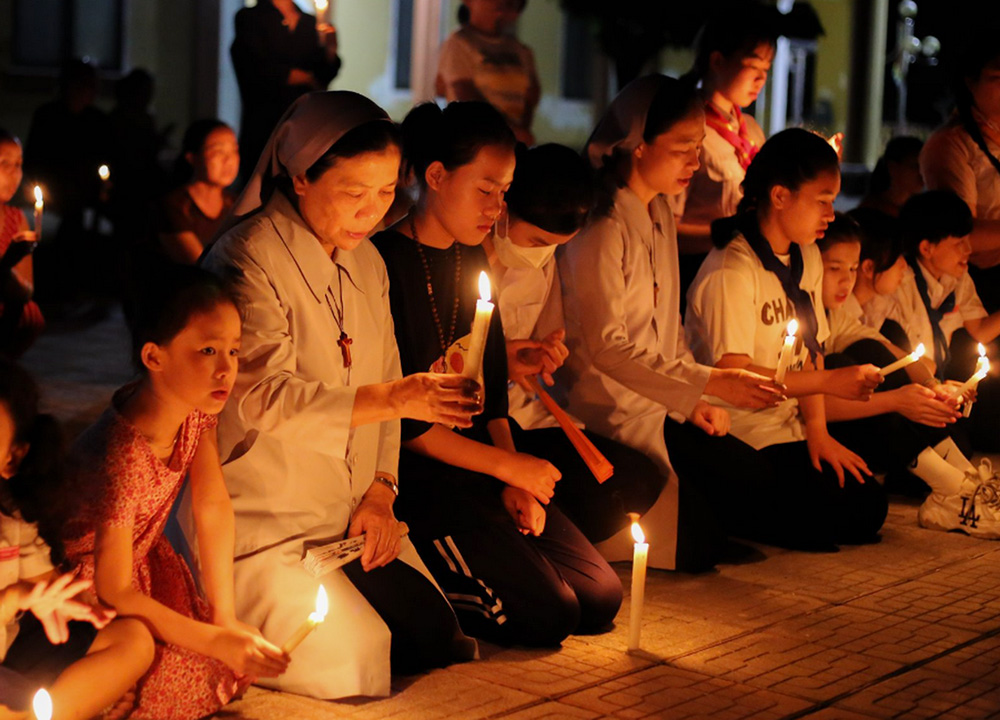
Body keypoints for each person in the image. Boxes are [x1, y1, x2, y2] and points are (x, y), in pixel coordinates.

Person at [203, 91, 479, 700]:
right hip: (272, 519)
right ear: (301, 178)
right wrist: (396, 398)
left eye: (386, 194)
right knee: (361, 661)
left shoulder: (369, 264)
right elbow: (263, 396)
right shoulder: (247, 258)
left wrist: (382, 490)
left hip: (354, 517)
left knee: (435, 635)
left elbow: (385, 375)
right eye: (355, 192)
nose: (372, 212)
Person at [373, 101, 621, 646]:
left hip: (483, 462)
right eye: (485, 189)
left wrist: (512, 475)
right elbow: (407, 426)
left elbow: (492, 399)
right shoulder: (383, 265)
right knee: (551, 614)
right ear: (436, 176)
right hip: (424, 477)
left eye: (504, 191)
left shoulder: (473, 259)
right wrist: (509, 467)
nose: (497, 206)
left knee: (600, 596)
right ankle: (436, 579)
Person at [559, 75, 783, 569]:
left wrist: (696, 399)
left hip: (661, 403)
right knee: (699, 543)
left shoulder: (659, 209)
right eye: (683, 148)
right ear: (637, 146)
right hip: (606, 409)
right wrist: (707, 380)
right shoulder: (602, 224)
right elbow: (606, 348)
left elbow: (669, 325)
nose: (695, 162)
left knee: (752, 478)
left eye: (699, 147)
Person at [61, 266, 290, 720]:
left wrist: (224, 619)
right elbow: (112, 588)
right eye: (207, 350)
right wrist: (213, 639)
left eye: (233, 350)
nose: (226, 369)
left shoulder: (194, 409)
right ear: (154, 357)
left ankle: (114, 692)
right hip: (82, 588)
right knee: (178, 662)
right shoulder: (123, 452)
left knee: (226, 665)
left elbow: (211, 504)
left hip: (139, 565)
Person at [686, 128, 888, 550]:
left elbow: (811, 353)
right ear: (780, 196)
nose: (831, 215)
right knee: (828, 519)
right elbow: (732, 373)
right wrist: (829, 383)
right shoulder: (732, 270)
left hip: (788, 427)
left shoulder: (806, 256)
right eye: (822, 201)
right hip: (737, 432)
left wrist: (817, 430)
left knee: (868, 505)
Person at [483, 142, 666, 543]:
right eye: (536, 241)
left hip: (523, 411)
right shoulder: (459, 261)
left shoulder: (540, 262)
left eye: (556, 246)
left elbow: (541, 335)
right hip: (479, 424)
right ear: (502, 208)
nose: (543, 254)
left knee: (637, 480)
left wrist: (541, 354)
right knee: (589, 501)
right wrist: (498, 364)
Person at [0, 358, 154, 720]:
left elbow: (52, 593)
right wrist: (10, 601)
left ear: (11, 457)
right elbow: (18, 597)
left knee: (132, 640)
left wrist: (103, 677)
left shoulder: (10, 524)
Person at [817, 214, 981, 506]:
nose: (847, 279)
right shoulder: (806, 315)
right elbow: (812, 404)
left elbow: (893, 353)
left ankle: (961, 480)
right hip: (814, 430)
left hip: (868, 423)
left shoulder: (835, 316)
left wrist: (933, 387)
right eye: (834, 268)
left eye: (852, 269)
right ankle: (954, 487)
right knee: (844, 365)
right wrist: (898, 399)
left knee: (872, 350)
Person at [672, 5, 777, 301]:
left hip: (746, 275)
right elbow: (664, 225)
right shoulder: (687, 129)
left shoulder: (752, 131)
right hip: (696, 276)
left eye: (766, 70)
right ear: (717, 60)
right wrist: (726, 233)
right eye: (753, 66)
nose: (761, 79)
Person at [884, 190, 1000, 452]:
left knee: (968, 438)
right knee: (955, 446)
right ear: (926, 248)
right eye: (959, 242)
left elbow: (980, 330)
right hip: (903, 389)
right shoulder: (899, 282)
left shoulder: (958, 279)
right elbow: (882, 348)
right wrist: (933, 385)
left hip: (934, 383)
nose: (968, 250)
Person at [920, 31, 1000, 312]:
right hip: (980, 288)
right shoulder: (952, 145)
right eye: (998, 78)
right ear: (970, 83)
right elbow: (961, 235)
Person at [231, 0, 341, 180]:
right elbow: (255, 67)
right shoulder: (251, 18)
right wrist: (305, 77)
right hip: (263, 123)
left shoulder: (308, 22)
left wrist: (330, 51)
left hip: (302, 124)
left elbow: (322, 76)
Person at [435, 0, 540, 144]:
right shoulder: (459, 43)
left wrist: (522, 131)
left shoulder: (520, 49)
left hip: (511, 144)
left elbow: (531, 94)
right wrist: (511, 130)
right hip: (474, 142)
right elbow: (465, 95)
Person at [157, 120, 240, 265]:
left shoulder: (237, 205)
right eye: (218, 152)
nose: (229, 160)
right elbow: (201, 265)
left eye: (234, 150)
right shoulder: (175, 206)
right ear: (192, 158)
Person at [0, 130, 44, 358]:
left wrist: (9, 267)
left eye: (18, 164)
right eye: (4, 162)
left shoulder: (17, 219)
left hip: (8, 307)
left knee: (29, 312)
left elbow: (27, 291)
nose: (14, 173)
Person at [857, 136, 924, 218]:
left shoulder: (918, 212)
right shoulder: (869, 214)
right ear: (893, 167)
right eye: (915, 166)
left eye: (924, 167)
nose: (921, 173)